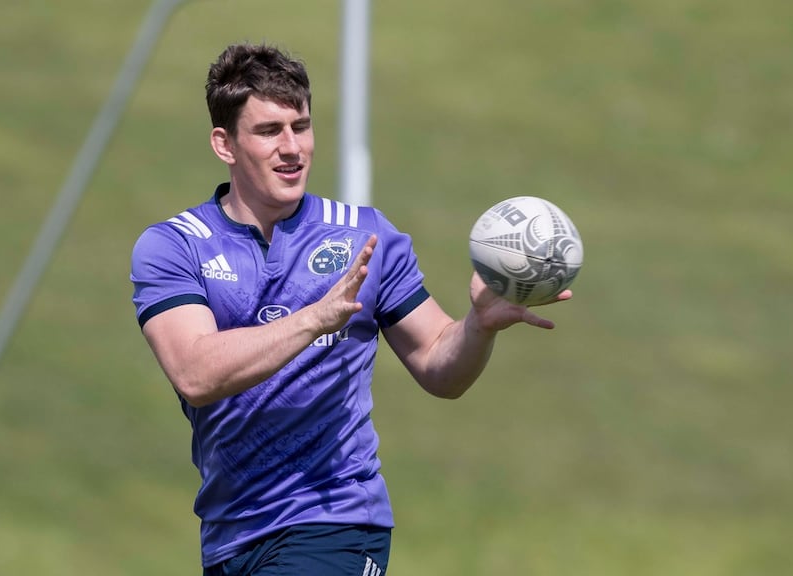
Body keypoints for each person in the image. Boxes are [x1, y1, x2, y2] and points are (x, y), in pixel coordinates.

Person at [129, 42, 572, 575]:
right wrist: (317, 317)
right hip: (231, 536)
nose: (293, 148)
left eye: (302, 126)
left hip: (335, 521)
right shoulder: (176, 246)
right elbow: (195, 373)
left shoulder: (364, 235)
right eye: (270, 131)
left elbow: (439, 368)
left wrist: (479, 326)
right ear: (224, 143)